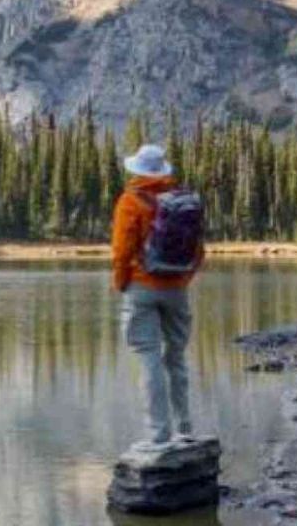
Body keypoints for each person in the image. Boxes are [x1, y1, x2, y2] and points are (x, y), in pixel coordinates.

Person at [111, 143, 205, 447]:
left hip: (142, 287)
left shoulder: (130, 201)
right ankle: (185, 429)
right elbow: (199, 250)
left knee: (149, 357)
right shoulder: (183, 201)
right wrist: (184, 278)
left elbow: (122, 251)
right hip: (177, 288)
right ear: (163, 171)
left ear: (137, 170)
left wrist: (122, 282)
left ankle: (160, 434)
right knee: (176, 357)